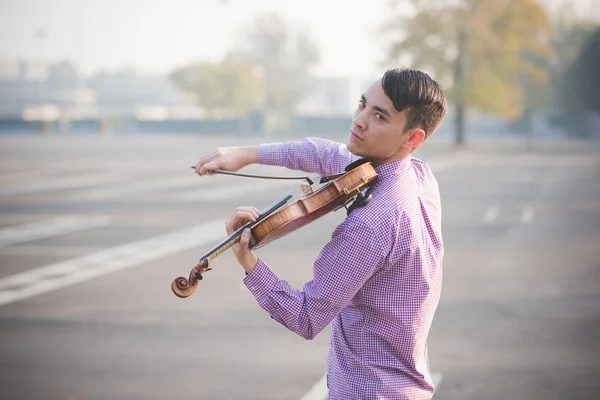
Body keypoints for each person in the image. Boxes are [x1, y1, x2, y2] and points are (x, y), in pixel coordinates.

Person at [194, 67, 447, 400]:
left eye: (379, 117)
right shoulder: (418, 175)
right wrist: (246, 155)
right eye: (362, 104)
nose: (359, 120)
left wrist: (248, 260)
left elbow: (306, 316)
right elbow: (324, 153)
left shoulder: (371, 224)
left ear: (413, 137)